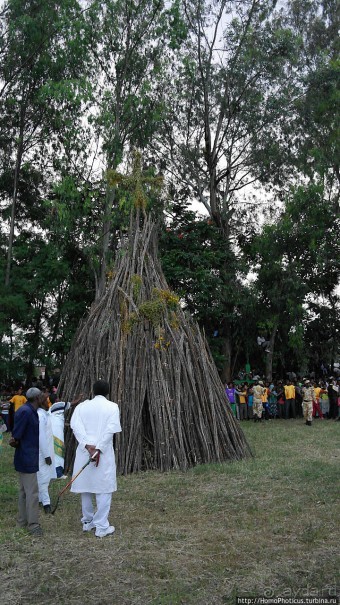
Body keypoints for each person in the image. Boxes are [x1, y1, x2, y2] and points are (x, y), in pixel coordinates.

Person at [70, 380, 122, 538]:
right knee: (104, 489)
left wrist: (87, 446)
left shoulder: (81, 407)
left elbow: (75, 427)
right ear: (107, 392)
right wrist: (98, 448)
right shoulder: (112, 407)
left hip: (85, 451)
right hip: (102, 453)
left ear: (93, 391)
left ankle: (88, 521)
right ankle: (101, 526)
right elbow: (110, 430)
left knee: (86, 487)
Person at [9, 388, 43, 536]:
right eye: (41, 395)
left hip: (28, 456)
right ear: (36, 397)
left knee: (24, 492)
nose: (43, 397)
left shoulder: (30, 411)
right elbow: (16, 435)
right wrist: (14, 440)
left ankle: (22, 522)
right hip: (26, 456)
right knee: (32, 493)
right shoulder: (26, 412)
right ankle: (33, 525)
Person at [37, 394, 57, 513]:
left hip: (48, 450)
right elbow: (41, 437)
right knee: (43, 477)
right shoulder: (40, 416)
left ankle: (40, 498)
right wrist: (46, 455)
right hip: (42, 452)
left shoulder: (45, 413)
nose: (48, 402)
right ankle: (46, 503)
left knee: (44, 476)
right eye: (46, 400)